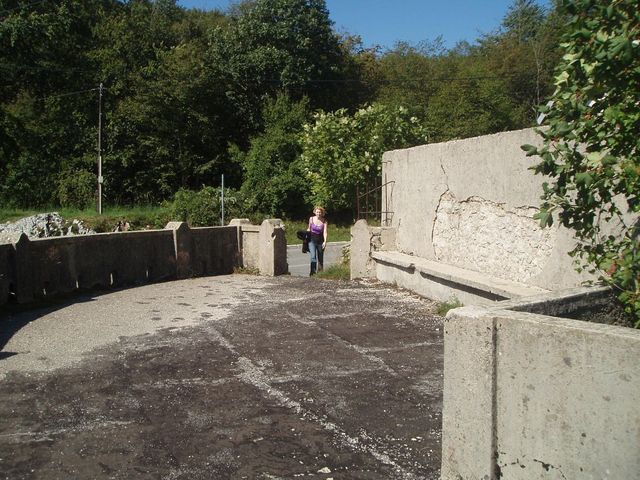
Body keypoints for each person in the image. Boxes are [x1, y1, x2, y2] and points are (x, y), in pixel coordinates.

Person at [307, 206, 328, 275]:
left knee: (320, 258)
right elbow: (309, 228)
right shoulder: (311, 219)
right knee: (313, 257)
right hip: (312, 240)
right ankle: (312, 273)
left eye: (320, 212)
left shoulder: (324, 221)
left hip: (320, 241)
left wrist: (325, 242)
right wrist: (306, 236)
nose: (318, 213)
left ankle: (320, 273)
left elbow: (325, 232)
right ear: (315, 212)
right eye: (317, 212)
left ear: (322, 213)